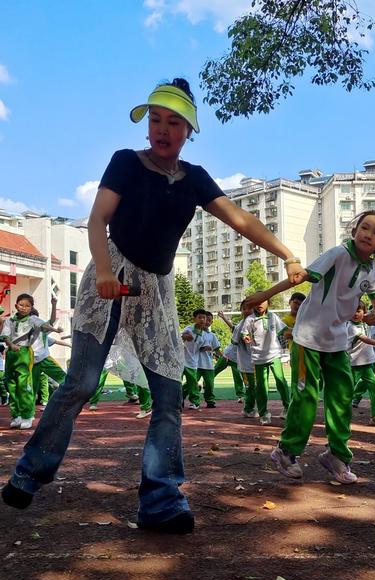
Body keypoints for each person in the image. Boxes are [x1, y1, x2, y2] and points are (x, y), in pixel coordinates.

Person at [2, 77, 304, 534]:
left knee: (167, 395)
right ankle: (29, 472)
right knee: (81, 382)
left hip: (157, 291)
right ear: (147, 126)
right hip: (112, 276)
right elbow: (99, 218)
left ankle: (161, 498)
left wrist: (287, 254)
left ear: (189, 131)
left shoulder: (195, 179)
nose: (163, 129)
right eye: (156, 120)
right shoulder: (126, 162)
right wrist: (103, 272)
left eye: (175, 122)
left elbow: (240, 218)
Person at [246, 210, 375, 484]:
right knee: (306, 397)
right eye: (364, 227)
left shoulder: (372, 271)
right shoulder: (337, 254)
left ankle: (337, 456)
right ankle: (286, 451)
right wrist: (265, 294)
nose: (368, 235)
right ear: (354, 230)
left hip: (337, 341)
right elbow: (300, 277)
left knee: (341, 398)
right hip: (308, 338)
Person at [1, 294, 62, 430]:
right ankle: (16, 415)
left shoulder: (33, 320)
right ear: (16, 305)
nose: (24, 308)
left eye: (27, 306)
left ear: (31, 308)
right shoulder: (10, 321)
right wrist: (11, 345)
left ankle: (27, 415)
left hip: (27, 354)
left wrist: (53, 306)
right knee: (11, 384)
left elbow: (49, 323)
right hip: (13, 354)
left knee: (25, 385)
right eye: (21, 305)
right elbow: (5, 336)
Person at [241, 299, 290, 425]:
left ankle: (287, 407)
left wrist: (295, 332)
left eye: (263, 301)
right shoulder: (250, 319)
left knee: (281, 381)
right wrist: (245, 337)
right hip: (258, 357)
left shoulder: (273, 317)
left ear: (269, 302)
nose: (259, 304)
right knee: (261, 386)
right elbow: (244, 333)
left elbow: (284, 330)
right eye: (257, 302)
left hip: (274, 354)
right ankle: (264, 413)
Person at [232, 301, 257, 417]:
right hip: (246, 362)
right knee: (251, 386)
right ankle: (248, 409)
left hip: (257, 360)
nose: (247, 310)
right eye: (244, 308)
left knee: (257, 386)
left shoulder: (257, 322)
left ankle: (253, 407)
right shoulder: (240, 326)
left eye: (250, 308)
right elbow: (234, 341)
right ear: (241, 311)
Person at [214, 310, 245, 402]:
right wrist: (223, 317)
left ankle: (240, 395)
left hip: (237, 358)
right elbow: (232, 327)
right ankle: (205, 385)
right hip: (227, 355)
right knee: (214, 371)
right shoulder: (240, 326)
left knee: (238, 377)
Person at [182, 309, 207, 410]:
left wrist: (206, 348)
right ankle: (177, 401)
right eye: (199, 317)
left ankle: (195, 402)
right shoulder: (188, 329)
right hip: (181, 360)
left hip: (192, 362)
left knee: (192, 383)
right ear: (194, 319)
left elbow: (201, 348)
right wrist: (184, 336)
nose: (202, 320)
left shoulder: (204, 334)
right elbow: (181, 337)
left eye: (203, 318)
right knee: (177, 382)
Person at [197, 311, 222, 408]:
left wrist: (223, 356)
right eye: (205, 319)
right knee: (192, 382)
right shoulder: (196, 332)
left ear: (211, 323)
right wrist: (202, 348)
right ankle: (181, 396)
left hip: (208, 364)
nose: (207, 322)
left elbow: (217, 349)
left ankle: (210, 400)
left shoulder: (212, 335)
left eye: (209, 321)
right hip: (196, 363)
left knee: (209, 384)